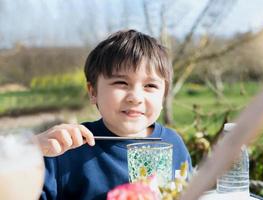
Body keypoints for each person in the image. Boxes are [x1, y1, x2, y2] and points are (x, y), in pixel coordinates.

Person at [37, 29, 192, 200]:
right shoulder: (65, 149)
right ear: (93, 91)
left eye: (150, 86)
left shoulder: (174, 144)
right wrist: (31, 149)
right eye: (121, 83)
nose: (135, 98)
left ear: (163, 96)